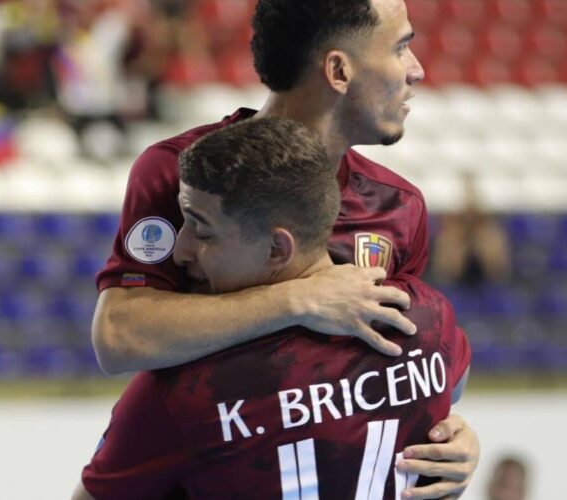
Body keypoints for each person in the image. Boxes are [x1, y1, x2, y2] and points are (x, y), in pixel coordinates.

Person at [91, 0, 479, 496]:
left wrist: (449, 433)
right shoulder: (183, 173)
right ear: (339, 70)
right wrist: (299, 301)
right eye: (401, 47)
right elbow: (119, 335)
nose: (417, 70)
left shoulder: (400, 207)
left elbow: (407, 358)